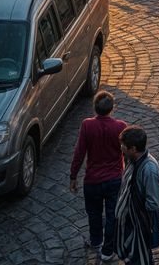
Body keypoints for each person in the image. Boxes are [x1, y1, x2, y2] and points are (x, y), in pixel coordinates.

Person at [70, 89, 127, 260]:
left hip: (92, 180)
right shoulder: (120, 127)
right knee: (112, 215)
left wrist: (73, 176)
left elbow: (79, 153)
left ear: (95, 107)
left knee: (94, 213)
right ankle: (108, 251)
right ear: (112, 108)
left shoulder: (87, 125)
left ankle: (96, 240)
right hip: (114, 179)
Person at [116, 125, 159, 265]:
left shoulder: (149, 170)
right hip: (131, 219)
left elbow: (153, 203)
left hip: (140, 223)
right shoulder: (132, 159)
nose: (121, 148)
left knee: (139, 257)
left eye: (123, 146)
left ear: (133, 149)